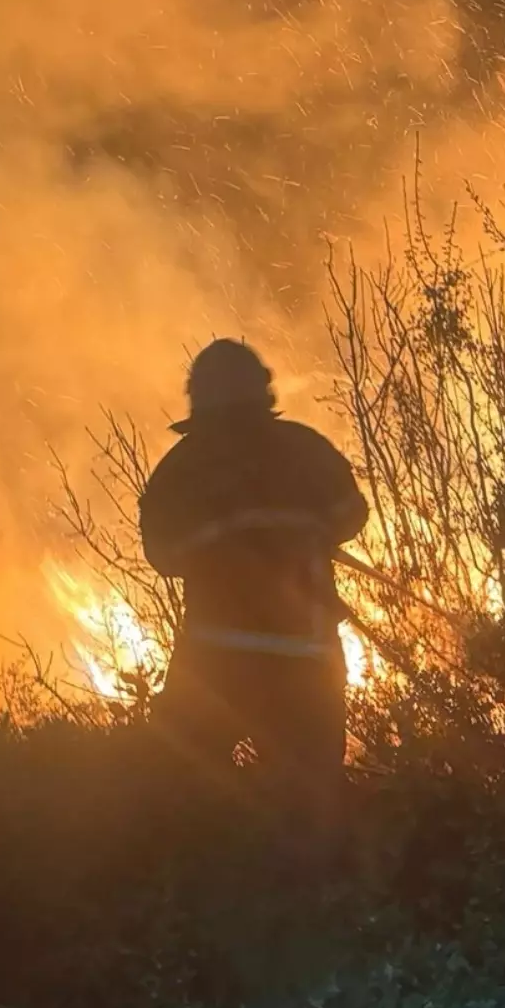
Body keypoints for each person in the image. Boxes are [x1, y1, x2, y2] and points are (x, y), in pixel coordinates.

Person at [139, 338, 368, 865]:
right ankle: (323, 911)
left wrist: (222, 543)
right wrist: (298, 530)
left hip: (217, 662)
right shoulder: (306, 450)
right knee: (313, 804)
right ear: (263, 394)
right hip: (307, 657)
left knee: (178, 788)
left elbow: (163, 556)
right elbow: (351, 515)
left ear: (198, 401)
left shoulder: (181, 469)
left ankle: (197, 902)